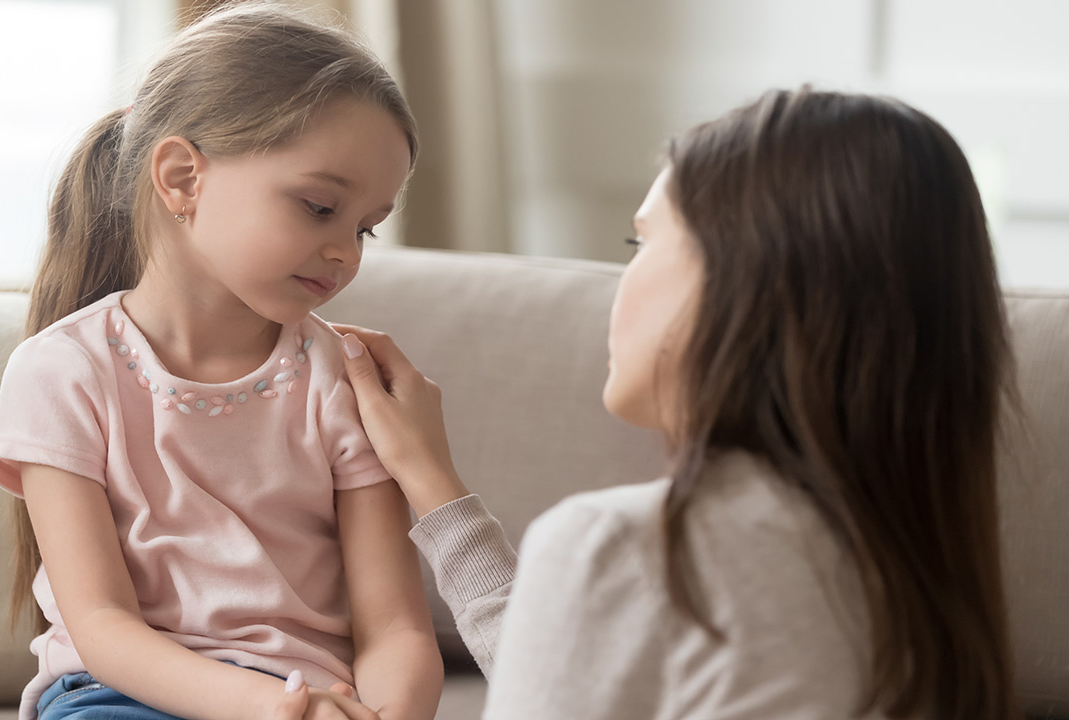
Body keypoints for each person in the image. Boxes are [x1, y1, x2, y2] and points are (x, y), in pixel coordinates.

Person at [278, 87, 1018, 719]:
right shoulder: (912, 565)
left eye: (641, 246)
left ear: (745, 284)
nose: (619, 285)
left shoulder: (625, 547)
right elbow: (584, 678)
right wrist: (434, 485)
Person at [0, 4, 441, 720]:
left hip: (313, 698)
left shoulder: (342, 380)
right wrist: (271, 707)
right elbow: (102, 627)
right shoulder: (61, 373)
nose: (346, 251)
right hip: (116, 696)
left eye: (365, 228)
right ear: (182, 178)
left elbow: (397, 629)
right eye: (319, 207)